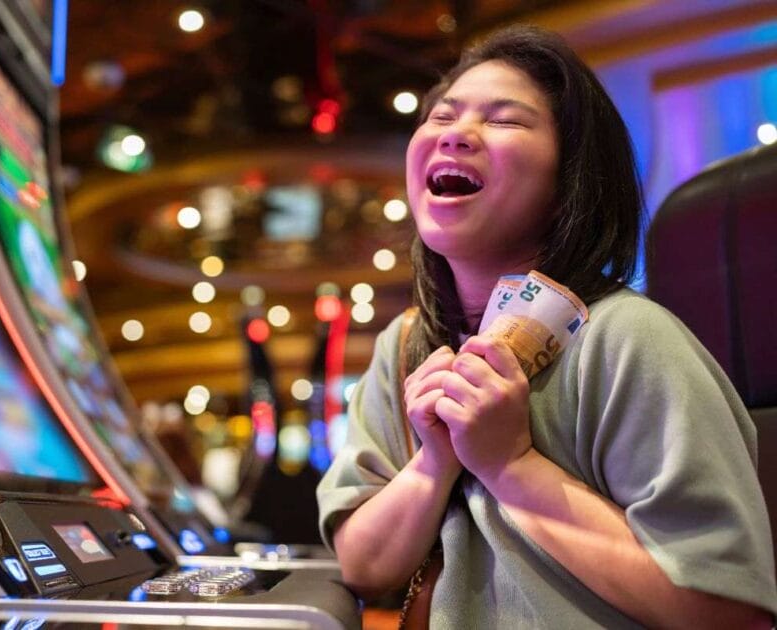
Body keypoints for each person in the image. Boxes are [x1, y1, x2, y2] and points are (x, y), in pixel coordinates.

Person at [317, 25, 776, 628]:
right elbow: (364, 566)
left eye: (504, 120)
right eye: (442, 116)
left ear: (569, 182)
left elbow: (730, 612)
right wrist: (435, 462)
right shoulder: (406, 346)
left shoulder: (627, 338)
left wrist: (509, 464)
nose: (454, 133)